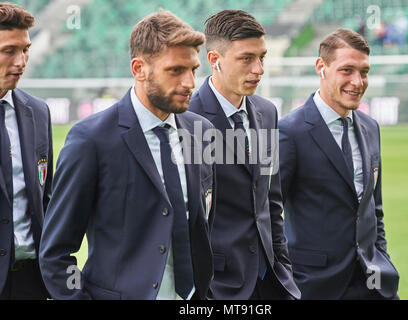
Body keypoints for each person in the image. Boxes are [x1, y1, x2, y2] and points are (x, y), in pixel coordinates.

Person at [39, 10, 215, 300]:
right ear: (139, 69)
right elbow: (57, 253)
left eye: (193, 69)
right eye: (176, 70)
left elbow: (205, 229)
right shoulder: (91, 140)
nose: (189, 82)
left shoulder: (202, 132)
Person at [279, 29, 399, 300]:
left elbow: (373, 209)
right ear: (321, 67)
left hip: (373, 282)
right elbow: (269, 217)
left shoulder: (370, 127)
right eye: (347, 70)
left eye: (364, 71)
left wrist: (382, 260)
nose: (358, 82)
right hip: (313, 286)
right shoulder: (289, 132)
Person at [189, 9, 300, 300]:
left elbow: (271, 202)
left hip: (272, 282)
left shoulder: (267, 112)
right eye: (246, 59)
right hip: (218, 286)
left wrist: (282, 268)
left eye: (262, 57)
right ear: (214, 60)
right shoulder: (186, 119)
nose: (259, 69)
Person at [0, 2, 52, 300]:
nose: (21, 61)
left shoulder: (38, 112)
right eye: (10, 50)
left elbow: (46, 197)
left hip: (31, 283)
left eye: (25, 49)